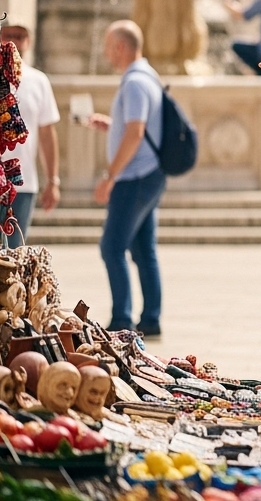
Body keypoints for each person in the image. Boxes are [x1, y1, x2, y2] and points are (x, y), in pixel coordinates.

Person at [86, 21, 166, 336]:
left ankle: (122, 318)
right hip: (150, 174)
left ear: (121, 47)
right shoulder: (149, 77)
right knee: (143, 249)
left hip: (134, 177)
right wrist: (111, 125)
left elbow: (135, 132)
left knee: (112, 247)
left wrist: (110, 176)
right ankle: (151, 319)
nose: (106, 53)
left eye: (108, 46)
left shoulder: (134, 82)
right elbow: (138, 127)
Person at [0, 22, 61, 246]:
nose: (14, 41)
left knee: (14, 254)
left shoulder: (38, 81)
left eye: (20, 36)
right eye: (9, 35)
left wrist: (52, 181)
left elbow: (46, 133)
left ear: (29, 42)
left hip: (22, 183)